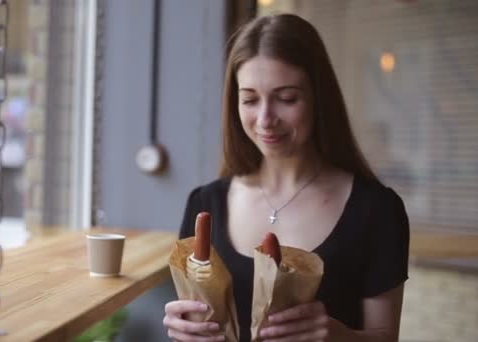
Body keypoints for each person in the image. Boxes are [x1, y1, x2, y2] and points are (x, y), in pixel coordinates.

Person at [163, 13, 409, 342]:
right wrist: (181, 328)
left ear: (319, 98)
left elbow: (386, 337)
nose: (265, 119)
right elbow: (194, 318)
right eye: (249, 99)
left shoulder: (377, 210)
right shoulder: (205, 202)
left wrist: (339, 337)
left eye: (287, 99)